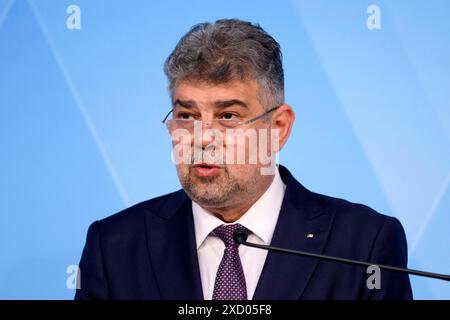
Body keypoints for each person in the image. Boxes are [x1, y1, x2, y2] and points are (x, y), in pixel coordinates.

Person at [75, 19, 412, 300]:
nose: (202, 138)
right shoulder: (114, 246)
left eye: (228, 116)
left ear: (278, 127)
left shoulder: (362, 244)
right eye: (186, 116)